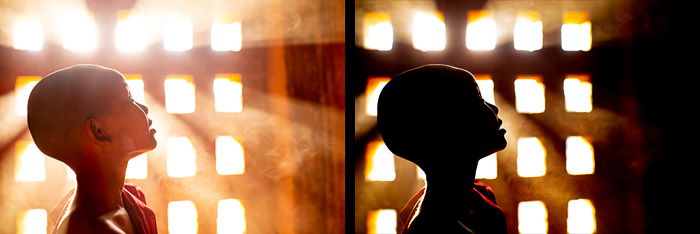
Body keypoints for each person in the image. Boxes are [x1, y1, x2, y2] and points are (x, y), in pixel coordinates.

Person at [27, 65, 158, 234]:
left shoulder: (122, 203)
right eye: (129, 99)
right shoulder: (94, 228)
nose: (144, 108)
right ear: (98, 131)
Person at [377, 64, 508, 234]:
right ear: (443, 125)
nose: (494, 108)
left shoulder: (468, 207)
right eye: (478, 100)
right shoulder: (437, 228)